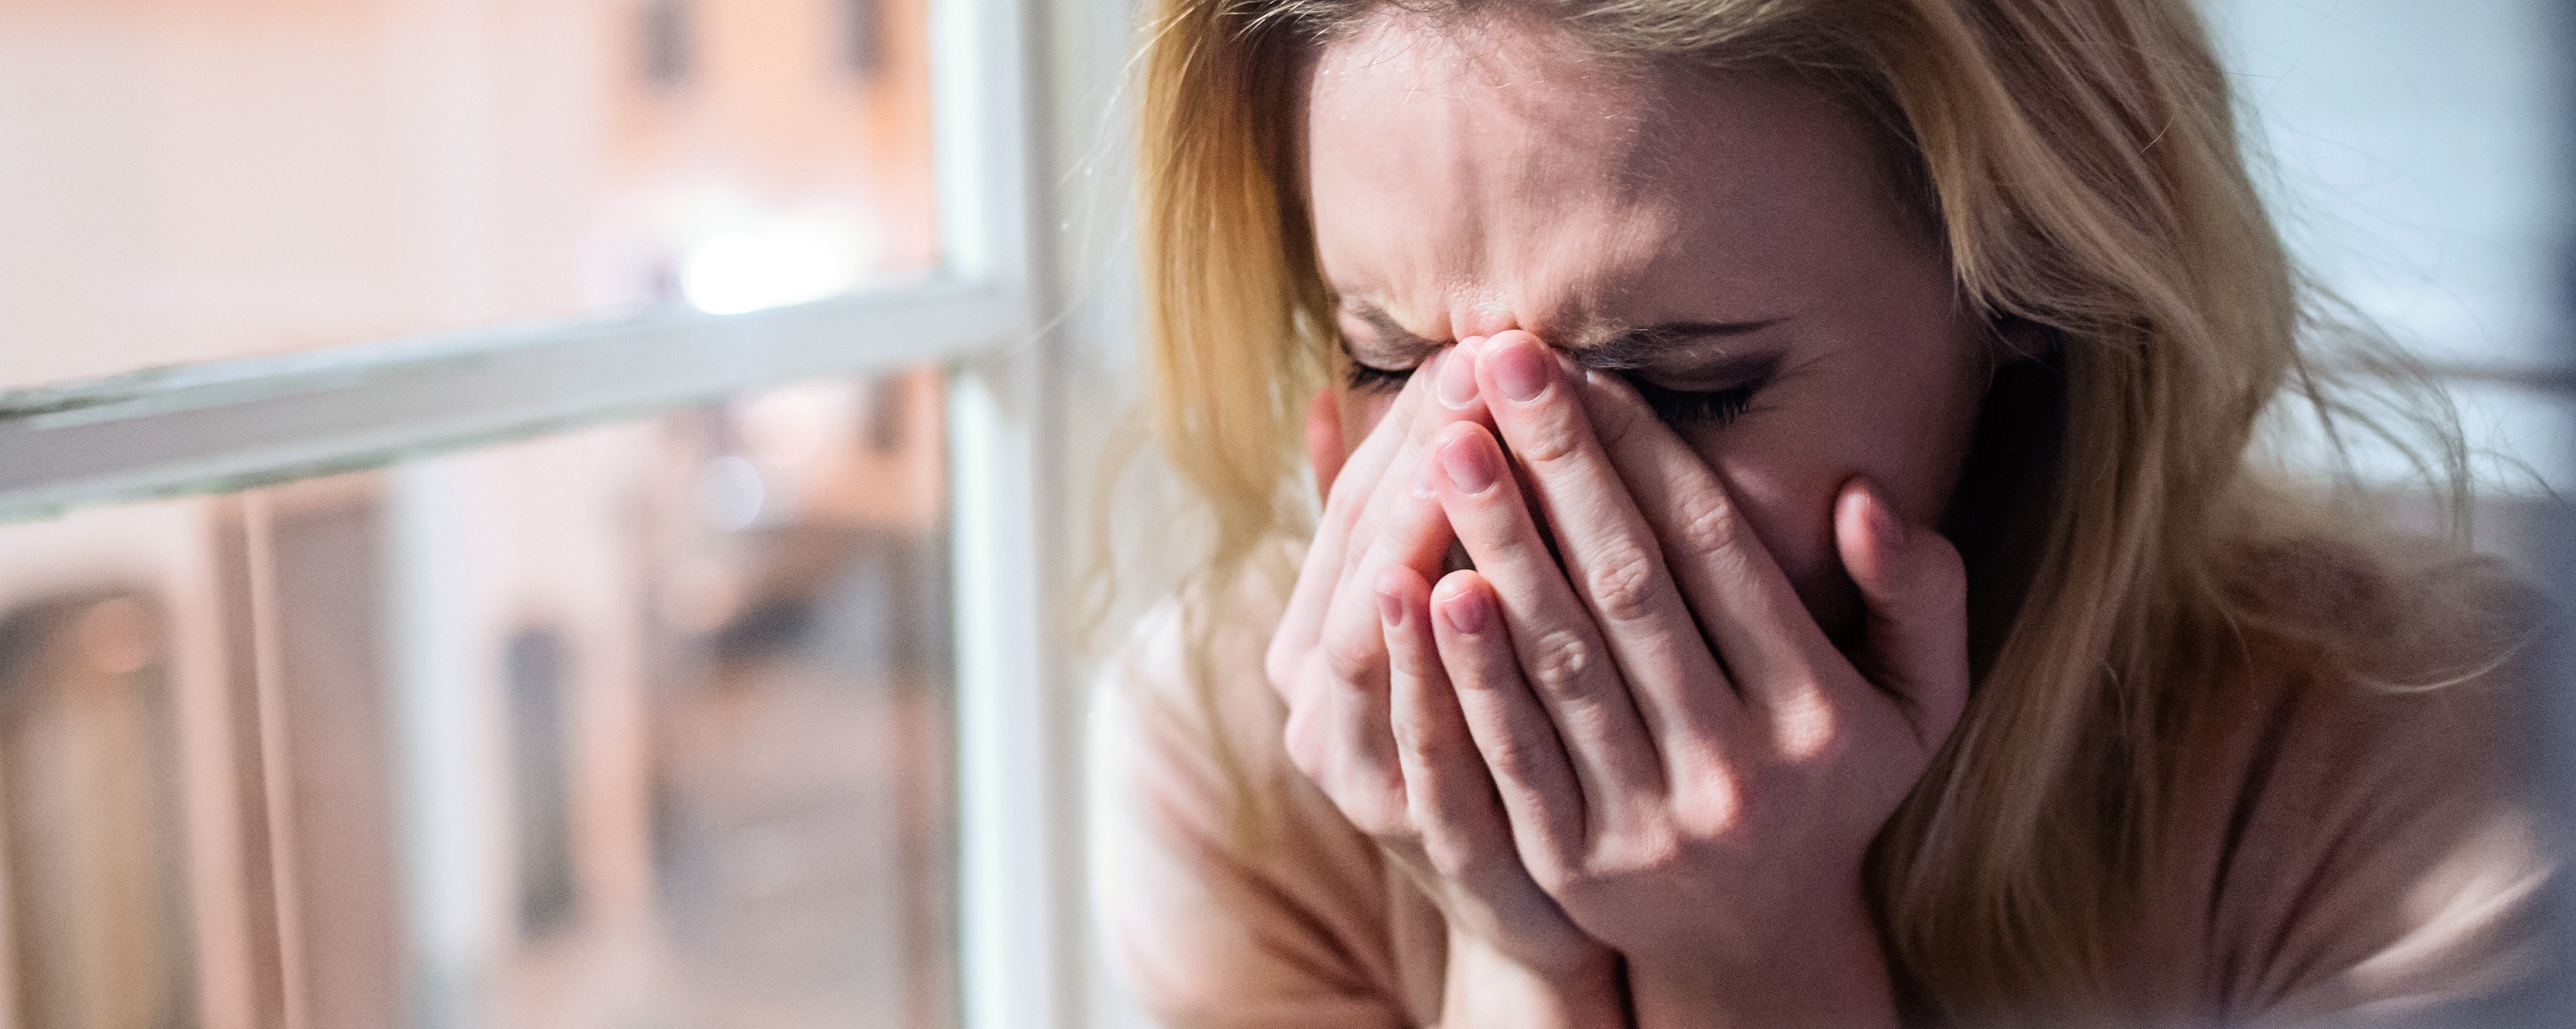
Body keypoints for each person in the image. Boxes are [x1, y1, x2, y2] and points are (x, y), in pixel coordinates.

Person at [1093, 1, 2555, 1026]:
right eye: (1389, 364)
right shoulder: (1235, 764)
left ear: (2032, 293)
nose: (1494, 515)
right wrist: (1517, 956)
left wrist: (1758, 963)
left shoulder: (2427, 768)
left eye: (1679, 387)